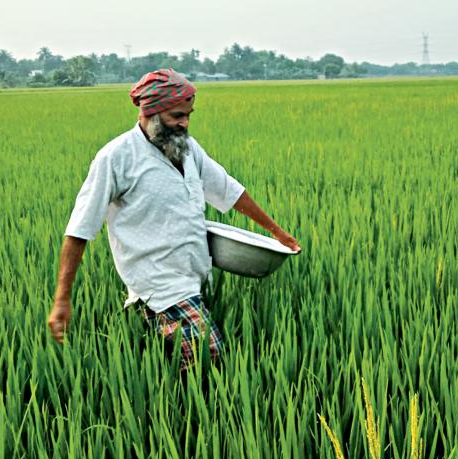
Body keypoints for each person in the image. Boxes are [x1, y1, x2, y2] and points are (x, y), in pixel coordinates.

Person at [47, 68, 300, 370]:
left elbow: (228, 189)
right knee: (208, 354)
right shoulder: (116, 157)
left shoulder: (188, 149)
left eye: (188, 115)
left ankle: (168, 385)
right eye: (177, 116)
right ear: (150, 113)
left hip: (193, 272)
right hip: (156, 282)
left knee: (186, 364)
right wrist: (62, 298)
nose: (185, 123)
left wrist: (277, 232)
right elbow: (80, 229)